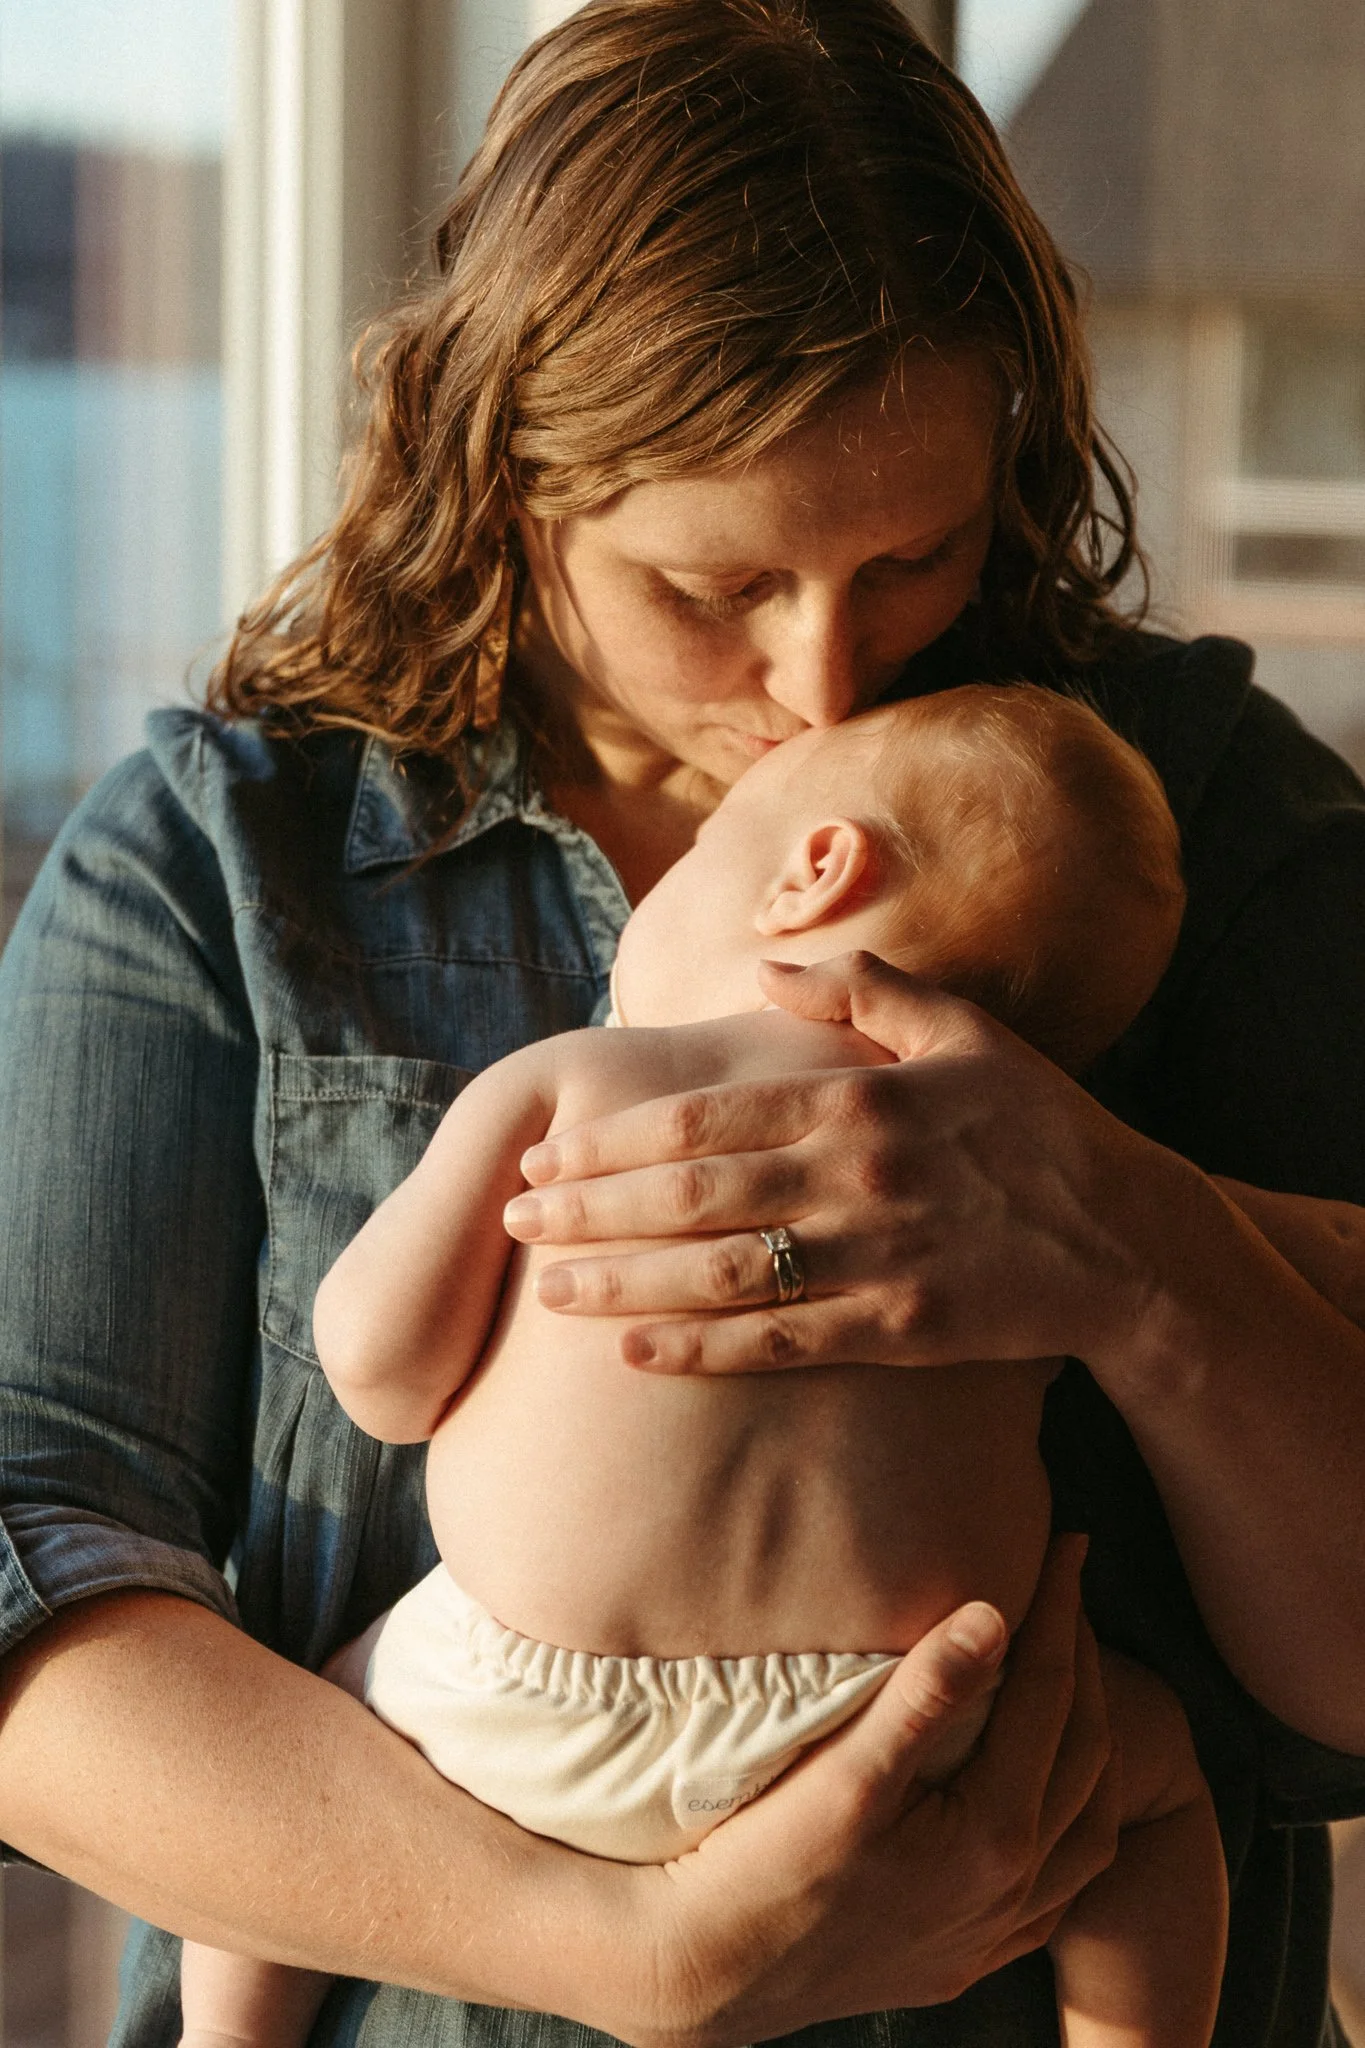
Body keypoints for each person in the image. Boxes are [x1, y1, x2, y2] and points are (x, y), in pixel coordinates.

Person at [1, 3, 1364, 2045]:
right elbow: (31, 1582)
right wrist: (635, 1954)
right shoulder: (225, 867)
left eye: (909, 556)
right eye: (711, 584)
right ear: (506, 475)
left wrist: (1128, 1241)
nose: (818, 685)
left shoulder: (1186, 824)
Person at [181, 682, 1229, 2048]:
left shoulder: (574, 1080)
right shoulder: (1024, 1193)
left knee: (282, 1772)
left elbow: (381, 1374)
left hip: (522, 1705)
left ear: (812, 870)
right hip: (906, 1724)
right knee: (1149, 1788)